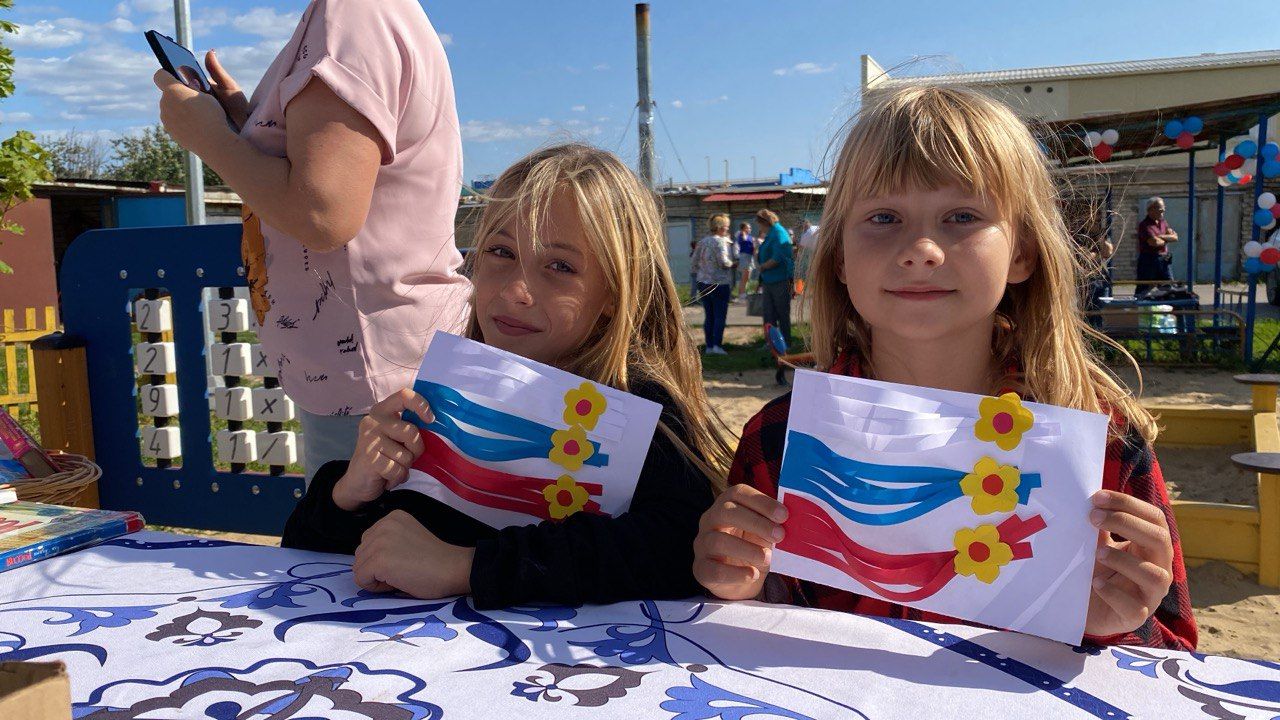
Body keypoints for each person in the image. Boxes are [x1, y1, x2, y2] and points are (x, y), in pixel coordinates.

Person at [691, 85, 1196, 650]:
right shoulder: (780, 439)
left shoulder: (1102, 441)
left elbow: (1176, 658)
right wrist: (737, 589)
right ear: (837, 257)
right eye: (884, 217)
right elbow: (757, 630)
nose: (922, 249)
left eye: (962, 215)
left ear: (1023, 253)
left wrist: (1124, 623)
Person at [283, 144, 736, 608]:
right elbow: (313, 563)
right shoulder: (446, 399)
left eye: (560, 266)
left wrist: (467, 567)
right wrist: (347, 494)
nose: (516, 290)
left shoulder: (640, 411)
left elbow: (676, 550)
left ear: (616, 294)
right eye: (501, 251)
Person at [153, 0, 470, 486]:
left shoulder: (352, 17)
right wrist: (242, 125)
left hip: (372, 374)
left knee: (355, 550)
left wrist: (211, 140)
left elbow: (323, 216)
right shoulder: (362, 15)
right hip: (374, 361)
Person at [694, 214, 738, 355]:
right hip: (719, 283)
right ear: (719, 227)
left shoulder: (702, 241)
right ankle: (717, 346)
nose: (727, 229)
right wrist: (733, 264)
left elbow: (694, 262)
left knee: (709, 315)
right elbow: (724, 262)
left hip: (703, 282)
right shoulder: (720, 242)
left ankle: (709, 346)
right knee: (720, 315)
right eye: (726, 226)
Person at [755, 209, 795, 344]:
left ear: (764, 222)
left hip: (779, 280)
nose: (759, 228)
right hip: (768, 280)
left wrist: (763, 266)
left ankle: (785, 343)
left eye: (759, 224)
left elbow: (778, 258)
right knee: (768, 314)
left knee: (782, 313)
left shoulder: (778, 233)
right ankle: (771, 343)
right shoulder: (771, 233)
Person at [1135, 197, 1178, 299]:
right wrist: (1166, 238)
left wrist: (1160, 237)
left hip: (1164, 259)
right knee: (1144, 288)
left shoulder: (1163, 222)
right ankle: (1139, 309)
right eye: (1160, 208)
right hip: (1149, 260)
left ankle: (1167, 308)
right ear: (1151, 209)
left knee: (1168, 287)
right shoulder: (1145, 225)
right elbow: (1154, 242)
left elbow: (1175, 237)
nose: (1163, 210)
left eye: (1163, 208)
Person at [734, 222, 757, 300]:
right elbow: (743, 240)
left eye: (750, 228)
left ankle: (744, 292)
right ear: (743, 228)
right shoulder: (741, 235)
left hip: (750, 257)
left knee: (747, 277)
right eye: (747, 228)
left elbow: (753, 246)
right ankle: (741, 294)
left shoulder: (750, 237)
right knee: (744, 277)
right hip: (744, 256)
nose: (750, 229)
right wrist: (742, 232)